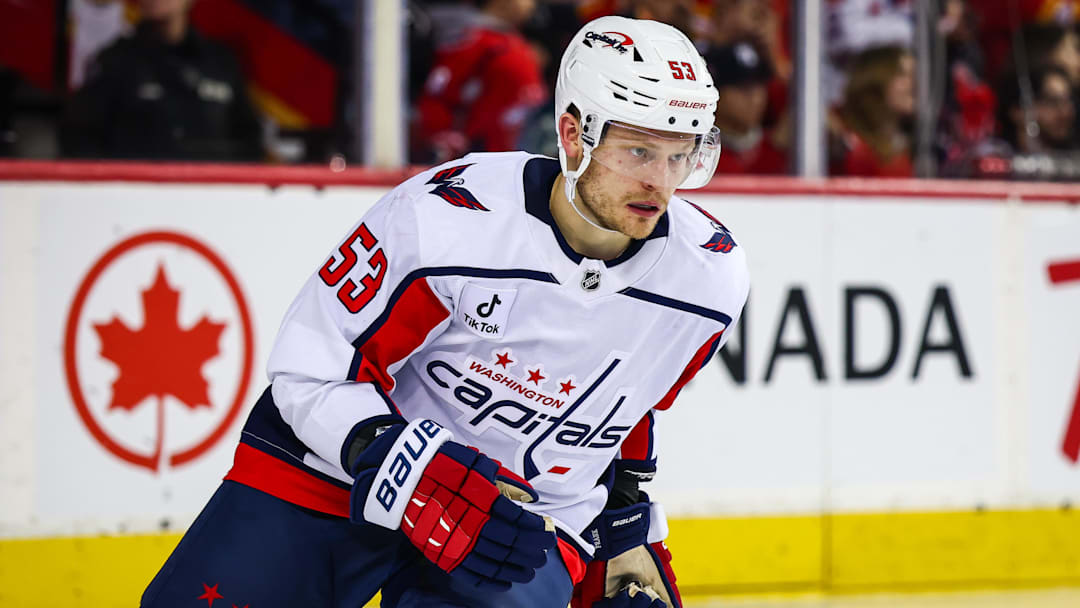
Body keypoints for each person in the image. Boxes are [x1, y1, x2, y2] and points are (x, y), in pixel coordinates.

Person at [142, 15, 748, 608]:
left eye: (680, 156)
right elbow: (311, 372)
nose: (660, 184)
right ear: (572, 136)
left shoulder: (709, 277)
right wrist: (405, 467)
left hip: (517, 518)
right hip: (335, 471)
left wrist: (624, 526)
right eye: (638, 150)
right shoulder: (445, 220)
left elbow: (628, 404)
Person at [61, 0, 263, 161]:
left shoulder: (222, 63)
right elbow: (80, 143)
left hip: (211, 200)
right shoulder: (113, 62)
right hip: (134, 201)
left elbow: (250, 143)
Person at [411, 0, 546, 164]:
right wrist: (443, 139)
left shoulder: (515, 41)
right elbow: (438, 95)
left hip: (516, 155)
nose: (531, 5)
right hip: (479, 158)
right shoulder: (471, 40)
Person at [831, 45, 916, 177]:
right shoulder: (835, 127)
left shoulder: (914, 144)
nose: (913, 83)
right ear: (874, 79)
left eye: (913, 75)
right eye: (902, 74)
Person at [707, 40, 788, 175]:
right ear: (715, 93)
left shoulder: (774, 150)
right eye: (744, 89)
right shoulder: (699, 155)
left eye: (760, 87)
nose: (756, 99)